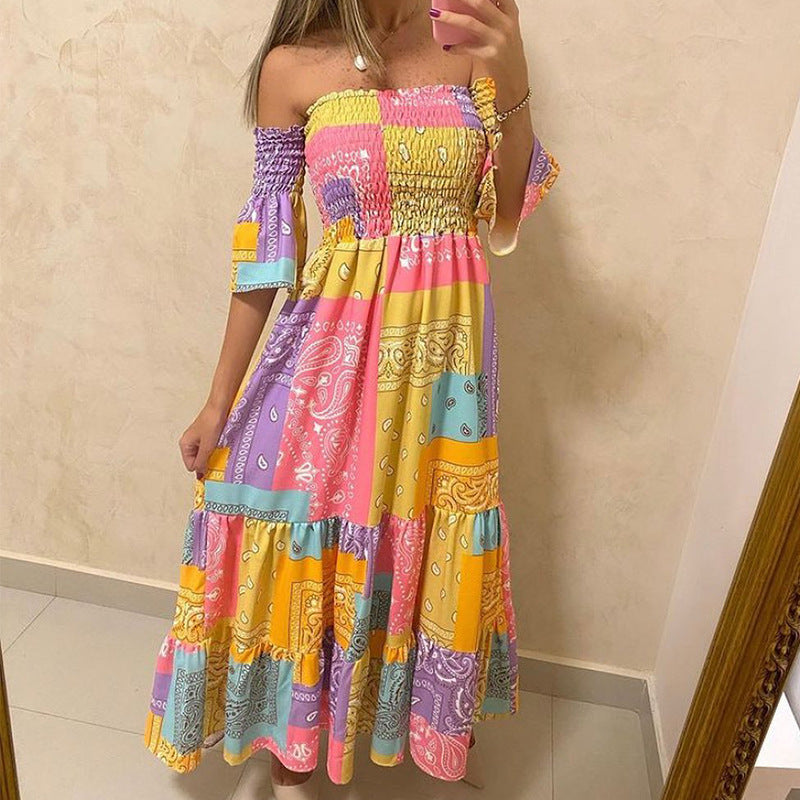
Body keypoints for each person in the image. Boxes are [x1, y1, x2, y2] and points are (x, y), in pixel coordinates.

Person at [143, 0, 559, 796]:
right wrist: (218, 401)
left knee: (426, 534)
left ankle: (416, 720)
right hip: (323, 362)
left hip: (443, 373)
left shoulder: (477, 44)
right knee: (310, 529)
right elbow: (268, 250)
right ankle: (295, 737)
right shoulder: (292, 67)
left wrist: (513, 77)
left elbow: (504, 221)